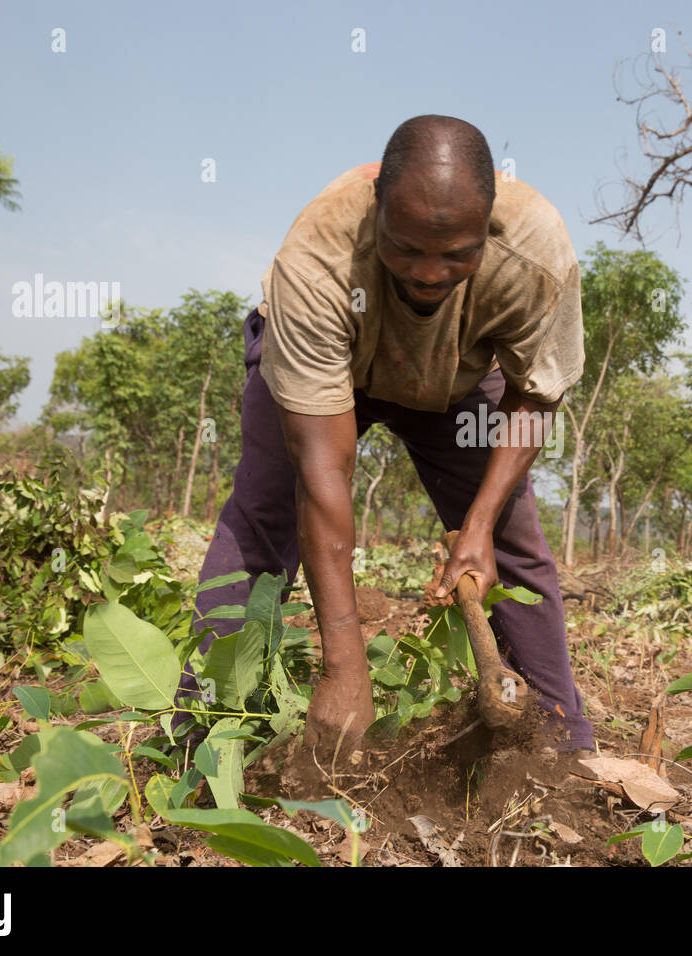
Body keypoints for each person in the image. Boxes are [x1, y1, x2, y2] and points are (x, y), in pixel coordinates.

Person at [177, 114, 595, 760]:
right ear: (377, 212)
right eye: (405, 249)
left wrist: (479, 523)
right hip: (327, 365)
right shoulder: (317, 259)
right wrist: (345, 667)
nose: (429, 274)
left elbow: (537, 391)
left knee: (513, 541)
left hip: (452, 377)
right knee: (260, 526)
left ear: (488, 227)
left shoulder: (535, 254)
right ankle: (199, 735)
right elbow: (324, 476)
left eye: (457, 254)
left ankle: (561, 746)